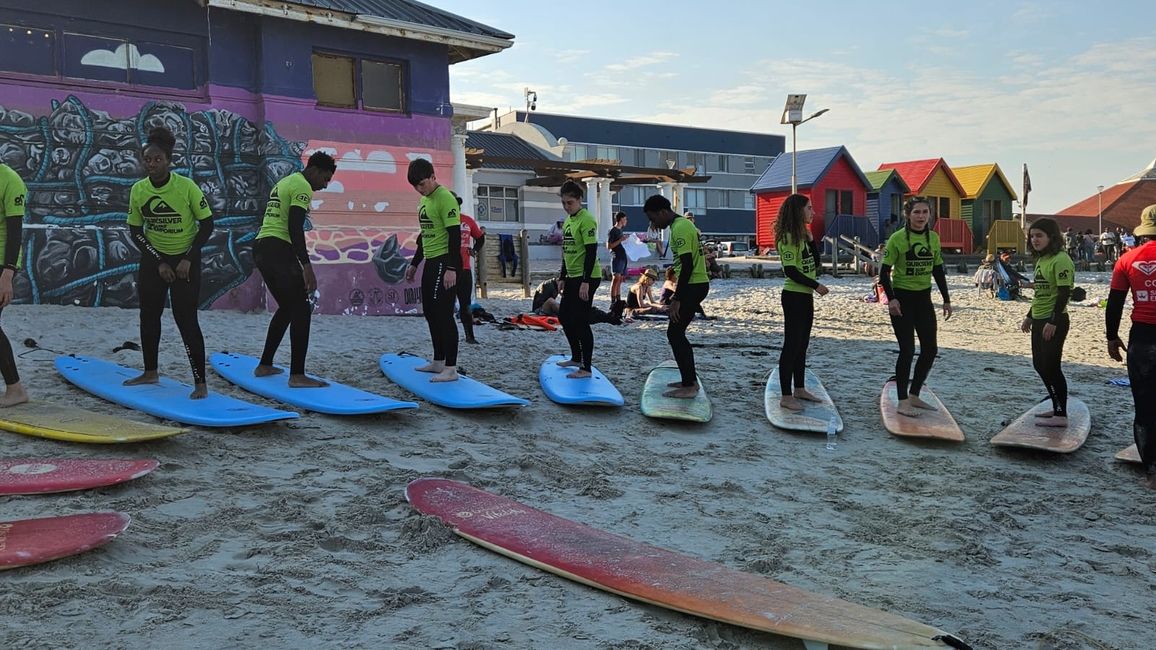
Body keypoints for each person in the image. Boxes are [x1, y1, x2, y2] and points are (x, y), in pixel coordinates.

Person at [124, 127, 214, 399]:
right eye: (148, 159)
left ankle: (200, 383)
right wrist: (159, 262)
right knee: (149, 315)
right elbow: (136, 231)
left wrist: (188, 258)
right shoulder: (139, 190)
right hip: (154, 260)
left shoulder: (185, 186)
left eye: (157, 159)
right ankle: (150, 371)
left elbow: (207, 224)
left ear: (168, 160)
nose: (152, 164)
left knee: (185, 319)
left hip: (185, 260)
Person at [252, 152, 336, 387]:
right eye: (325, 179)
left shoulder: (285, 181)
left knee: (289, 307)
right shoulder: (302, 186)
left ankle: (265, 365)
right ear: (315, 170)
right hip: (277, 248)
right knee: (301, 308)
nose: (325, 185)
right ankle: (297, 375)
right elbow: (294, 227)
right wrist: (306, 266)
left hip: (261, 248)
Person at [879, 196, 952, 417]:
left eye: (925, 212)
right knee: (907, 350)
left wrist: (947, 299)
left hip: (924, 299)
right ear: (908, 215)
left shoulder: (934, 238)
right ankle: (902, 401)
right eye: (916, 212)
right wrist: (891, 299)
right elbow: (884, 273)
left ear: (930, 214)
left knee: (930, 350)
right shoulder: (897, 239)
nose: (921, 216)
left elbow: (938, 270)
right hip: (902, 300)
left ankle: (914, 394)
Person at [1106, 204, 1156, 490]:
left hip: (1143, 339)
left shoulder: (1128, 259)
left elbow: (1115, 303)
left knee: (1145, 406)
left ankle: (1152, 472)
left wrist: (1112, 337)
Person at [643, 195, 709, 398]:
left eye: (653, 218)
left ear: (663, 212)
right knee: (676, 334)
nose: (654, 223)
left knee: (675, 334)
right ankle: (687, 380)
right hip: (695, 284)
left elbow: (688, 265)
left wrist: (677, 299)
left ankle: (690, 384)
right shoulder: (682, 225)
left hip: (693, 285)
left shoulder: (680, 227)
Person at [404, 158, 461, 383]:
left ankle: (451, 367)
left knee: (444, 314)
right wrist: (414, 263)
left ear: (433, 177)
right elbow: (423, 237)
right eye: (416, 186)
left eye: (423, 184)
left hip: (444, 262)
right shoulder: (424, 201)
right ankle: (438, 361)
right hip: (430, 261)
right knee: (429, 311)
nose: (420, 189)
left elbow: (455, 236)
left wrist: (451, 268)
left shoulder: (445, 199)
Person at [774, 194, 829, 412]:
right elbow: (790, 271)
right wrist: (816, 286)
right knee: (791, 345)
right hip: (793, 296)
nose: (813, 212)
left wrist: (811, 239)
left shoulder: (802, 235)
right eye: (809, 208)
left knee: (803, 345)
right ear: (798, 211)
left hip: (805, 296)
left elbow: (815, 264)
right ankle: (786, 396)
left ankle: (799, 388)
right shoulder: (787, 238)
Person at [1019, 218, 1075, 428]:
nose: (1034, 240)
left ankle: (1061, 414)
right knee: (1039, 365)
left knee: (1052, 366)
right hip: (1040, 319)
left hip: (1055, 320)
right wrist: (1030, 316)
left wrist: (1054, 320)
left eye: (1039, 235)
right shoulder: (1042, 260)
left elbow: (1063, 293)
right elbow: (1042, 293)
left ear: (1051, 237)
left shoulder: (1061, 259)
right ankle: (1056, 405)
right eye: (1032, 236)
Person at [555, 180, 601, 379]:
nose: (567, 207)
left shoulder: (587, 220)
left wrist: (585, 281)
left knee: (581, 321)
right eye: (564, 203)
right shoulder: (568, 221)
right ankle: (575, 357)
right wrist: (562, 276)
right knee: (564, 317)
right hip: (572, 277)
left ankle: (586, 368)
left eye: (570, 203)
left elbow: (591, 252)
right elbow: (567, 251)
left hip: (587, 277)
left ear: (580, 200)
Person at [0, 162, 28, 406]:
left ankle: (15, 389)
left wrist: (7, 275)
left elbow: (15, 232)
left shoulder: (10, 180)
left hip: (1, 264)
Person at [452, 192, 485, 344]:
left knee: (465, 305)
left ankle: (470, 337)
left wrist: (475, 250)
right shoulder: (441, 222)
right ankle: (449, 337)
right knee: (446, 306)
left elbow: (480, 237)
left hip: (464, 269)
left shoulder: (467, 221)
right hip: (447, 269)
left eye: (456, 203)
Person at [607, 211, 629, 307]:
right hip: (617, 257)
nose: (626, 221)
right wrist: (621, 240)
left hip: (622, 256)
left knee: (620, 279)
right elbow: (609, 246)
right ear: (620, 220)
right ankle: (613, 300)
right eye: (625, 219)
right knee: (615, 278)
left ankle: (618, 299)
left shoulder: (620, 231)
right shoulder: (613, 230)